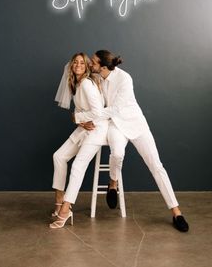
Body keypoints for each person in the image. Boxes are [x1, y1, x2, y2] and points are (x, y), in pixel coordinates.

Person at [74, 50, 189, 232]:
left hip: (136, 124)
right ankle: (113, 182)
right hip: (115, 126)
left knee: (156, 166)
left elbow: (114, 109)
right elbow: (94, 101)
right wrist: (81, 115)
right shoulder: (97, 79)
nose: (90, 64)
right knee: (118, 153)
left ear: (103, 67)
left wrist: (80, 117)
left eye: (93, 62)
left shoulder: (125, 79)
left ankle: (176, 212)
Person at [49, 52, 108, 229]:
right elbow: (84, 113)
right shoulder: (77, 84)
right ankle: (59, 200)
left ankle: (66, 210)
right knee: (59, 156)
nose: (78, 65)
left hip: (97, 129)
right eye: (75, 62)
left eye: (82, 62)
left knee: (77, 166)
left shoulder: (87, 84)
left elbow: (98, 112)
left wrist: (77, 117)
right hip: (85, 128)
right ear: (71, 66)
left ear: (87, 66)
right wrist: (80, 121)